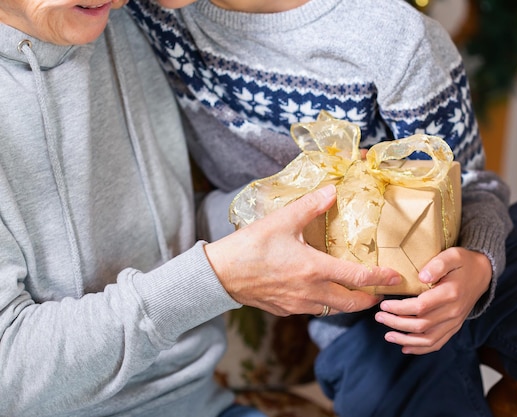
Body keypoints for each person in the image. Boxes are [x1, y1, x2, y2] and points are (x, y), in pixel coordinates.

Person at [126, 0, 517, 415]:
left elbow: (473, 182)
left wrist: (477, 265)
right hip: (362, 303)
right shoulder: (149, 15)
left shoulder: (392, 36)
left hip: (486, 248)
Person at [0, 2, 405, 416]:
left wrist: (283, 205)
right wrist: (219, 278)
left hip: (203, 406)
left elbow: (167, 226)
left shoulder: (118, 22)